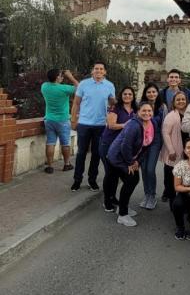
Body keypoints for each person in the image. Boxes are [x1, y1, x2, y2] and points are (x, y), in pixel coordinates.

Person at [105, 101, 154, 226]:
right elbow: (125, 146)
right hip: (117, 157)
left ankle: (122, 208)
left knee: (131, 180)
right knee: (132, 179)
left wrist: (137, 161)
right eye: (144, 110)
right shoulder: (134, 125)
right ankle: (122, 214)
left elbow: (146, 147)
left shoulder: (151, 125)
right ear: (137, 112)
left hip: (128, 158)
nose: (147, 113)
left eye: (149, 111)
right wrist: (131, 162)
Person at [70, 62, 115, 191]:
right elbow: (76, 103)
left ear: (105, 72)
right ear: (92, 71)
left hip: (101, 125)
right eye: (96, 69)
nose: (98, 71)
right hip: (84, 123)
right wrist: (73, 120)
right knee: (81, 153)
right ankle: (77, 180)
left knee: (96, 154)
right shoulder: (84, 84)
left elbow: (112, 104)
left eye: (101, 69)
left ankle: (92, 180)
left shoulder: (109, 85)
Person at [99, 87, 136, 213]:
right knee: (110, 174)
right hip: (108, 144)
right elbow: (111, 125)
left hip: (121, 146)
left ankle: (113, 197)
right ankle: (107, 201)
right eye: (125, 94)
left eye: (130, 94)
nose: (127, 96)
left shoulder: (135, 109)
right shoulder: (116, 108)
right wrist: (125, 125)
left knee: (116, 175)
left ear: (133, 96)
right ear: (121, 95)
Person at [41, 68, 78, 173]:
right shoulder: (64, 88)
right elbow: (80, 88)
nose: (62, 77)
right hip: (63, 121)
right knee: (65, 143)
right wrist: (70, 77)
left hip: (49, 120)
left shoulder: (44, 86)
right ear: (57, 77)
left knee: (50, 142)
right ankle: (66, 164)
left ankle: (50, 166)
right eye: (61, 75)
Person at [139, 82, 167, 210]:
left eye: (154, 91)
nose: (151, 94)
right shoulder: (140, 106)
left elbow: (165, 125)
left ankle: (152, 195)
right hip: (142, 141)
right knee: (143, 169)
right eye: (149, 92)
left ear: (157, 93)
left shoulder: (162, 107)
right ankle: (147, 194)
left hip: (155, 141)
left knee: (150, 169)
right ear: (145, 93)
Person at [160, 91, 188, 206]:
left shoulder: (189, 114)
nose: (181, 101)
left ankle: (183, 202)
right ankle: (172, 202)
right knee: (170, 178)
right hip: (174, 151)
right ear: (174, 102)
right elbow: (165, 133)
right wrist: (171, 150)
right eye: (178, 100)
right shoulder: (171, 116)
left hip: (186, 151)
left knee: (184, 177)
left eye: (183, 99)